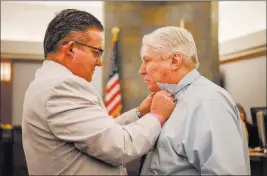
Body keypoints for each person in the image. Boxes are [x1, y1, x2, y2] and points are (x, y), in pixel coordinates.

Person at [22, 9, 175, 175]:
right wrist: (157, 116)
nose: (99, 63)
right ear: (71, 49)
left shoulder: (49, 82)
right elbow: (120, 147)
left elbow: (96, 135)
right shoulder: (62, 87)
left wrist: (139, 113)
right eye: (96, 52)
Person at [138, 26, 250, 175]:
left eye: (147, 61)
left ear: (175, 61)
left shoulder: (208, 102)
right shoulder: (167, 99)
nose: (141, 70)